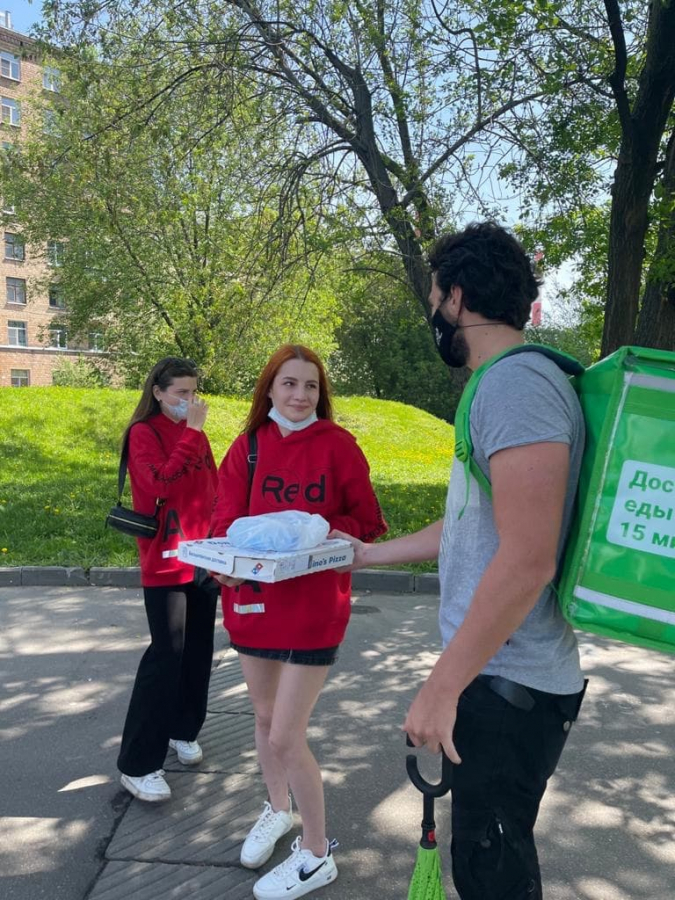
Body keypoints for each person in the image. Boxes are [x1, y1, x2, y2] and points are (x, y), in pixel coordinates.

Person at [333, 222, 587, 900]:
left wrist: (441, 688)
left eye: (434, 299)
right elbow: (474, 524)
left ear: (457, 297)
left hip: (510, 685)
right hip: (501, 677)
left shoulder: (515, 387)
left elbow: (527, 559)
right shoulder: (504, 384)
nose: (433, 317)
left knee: (492, 874)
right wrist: (368, 554)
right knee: (486, 866)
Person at [210, 344, 387, 900]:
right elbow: (222, 521)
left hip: (314, 609)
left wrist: (327, 532)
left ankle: (315, 852)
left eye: (311, 386)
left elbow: (368, 520)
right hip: (253, 605)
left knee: (287, 735)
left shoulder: (339, 446)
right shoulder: (247, 447)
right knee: (265, 719)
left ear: (321, 393)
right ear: (269, 388)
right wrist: (224, 566)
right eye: (289, 383)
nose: (300, 395)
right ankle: (277, 808)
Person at [117, 356, 219, 803]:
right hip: (165, 559)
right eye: (181, 393)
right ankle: (138, 765)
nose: (189, 401)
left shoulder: (197, 434)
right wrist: (191, 433)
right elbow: (158, 484)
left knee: (198, 650)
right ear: (158, 393)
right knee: (166, 655)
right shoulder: (144, 433)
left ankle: (183, 728)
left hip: (204, 556)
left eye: (194, 392)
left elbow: (213, 487)